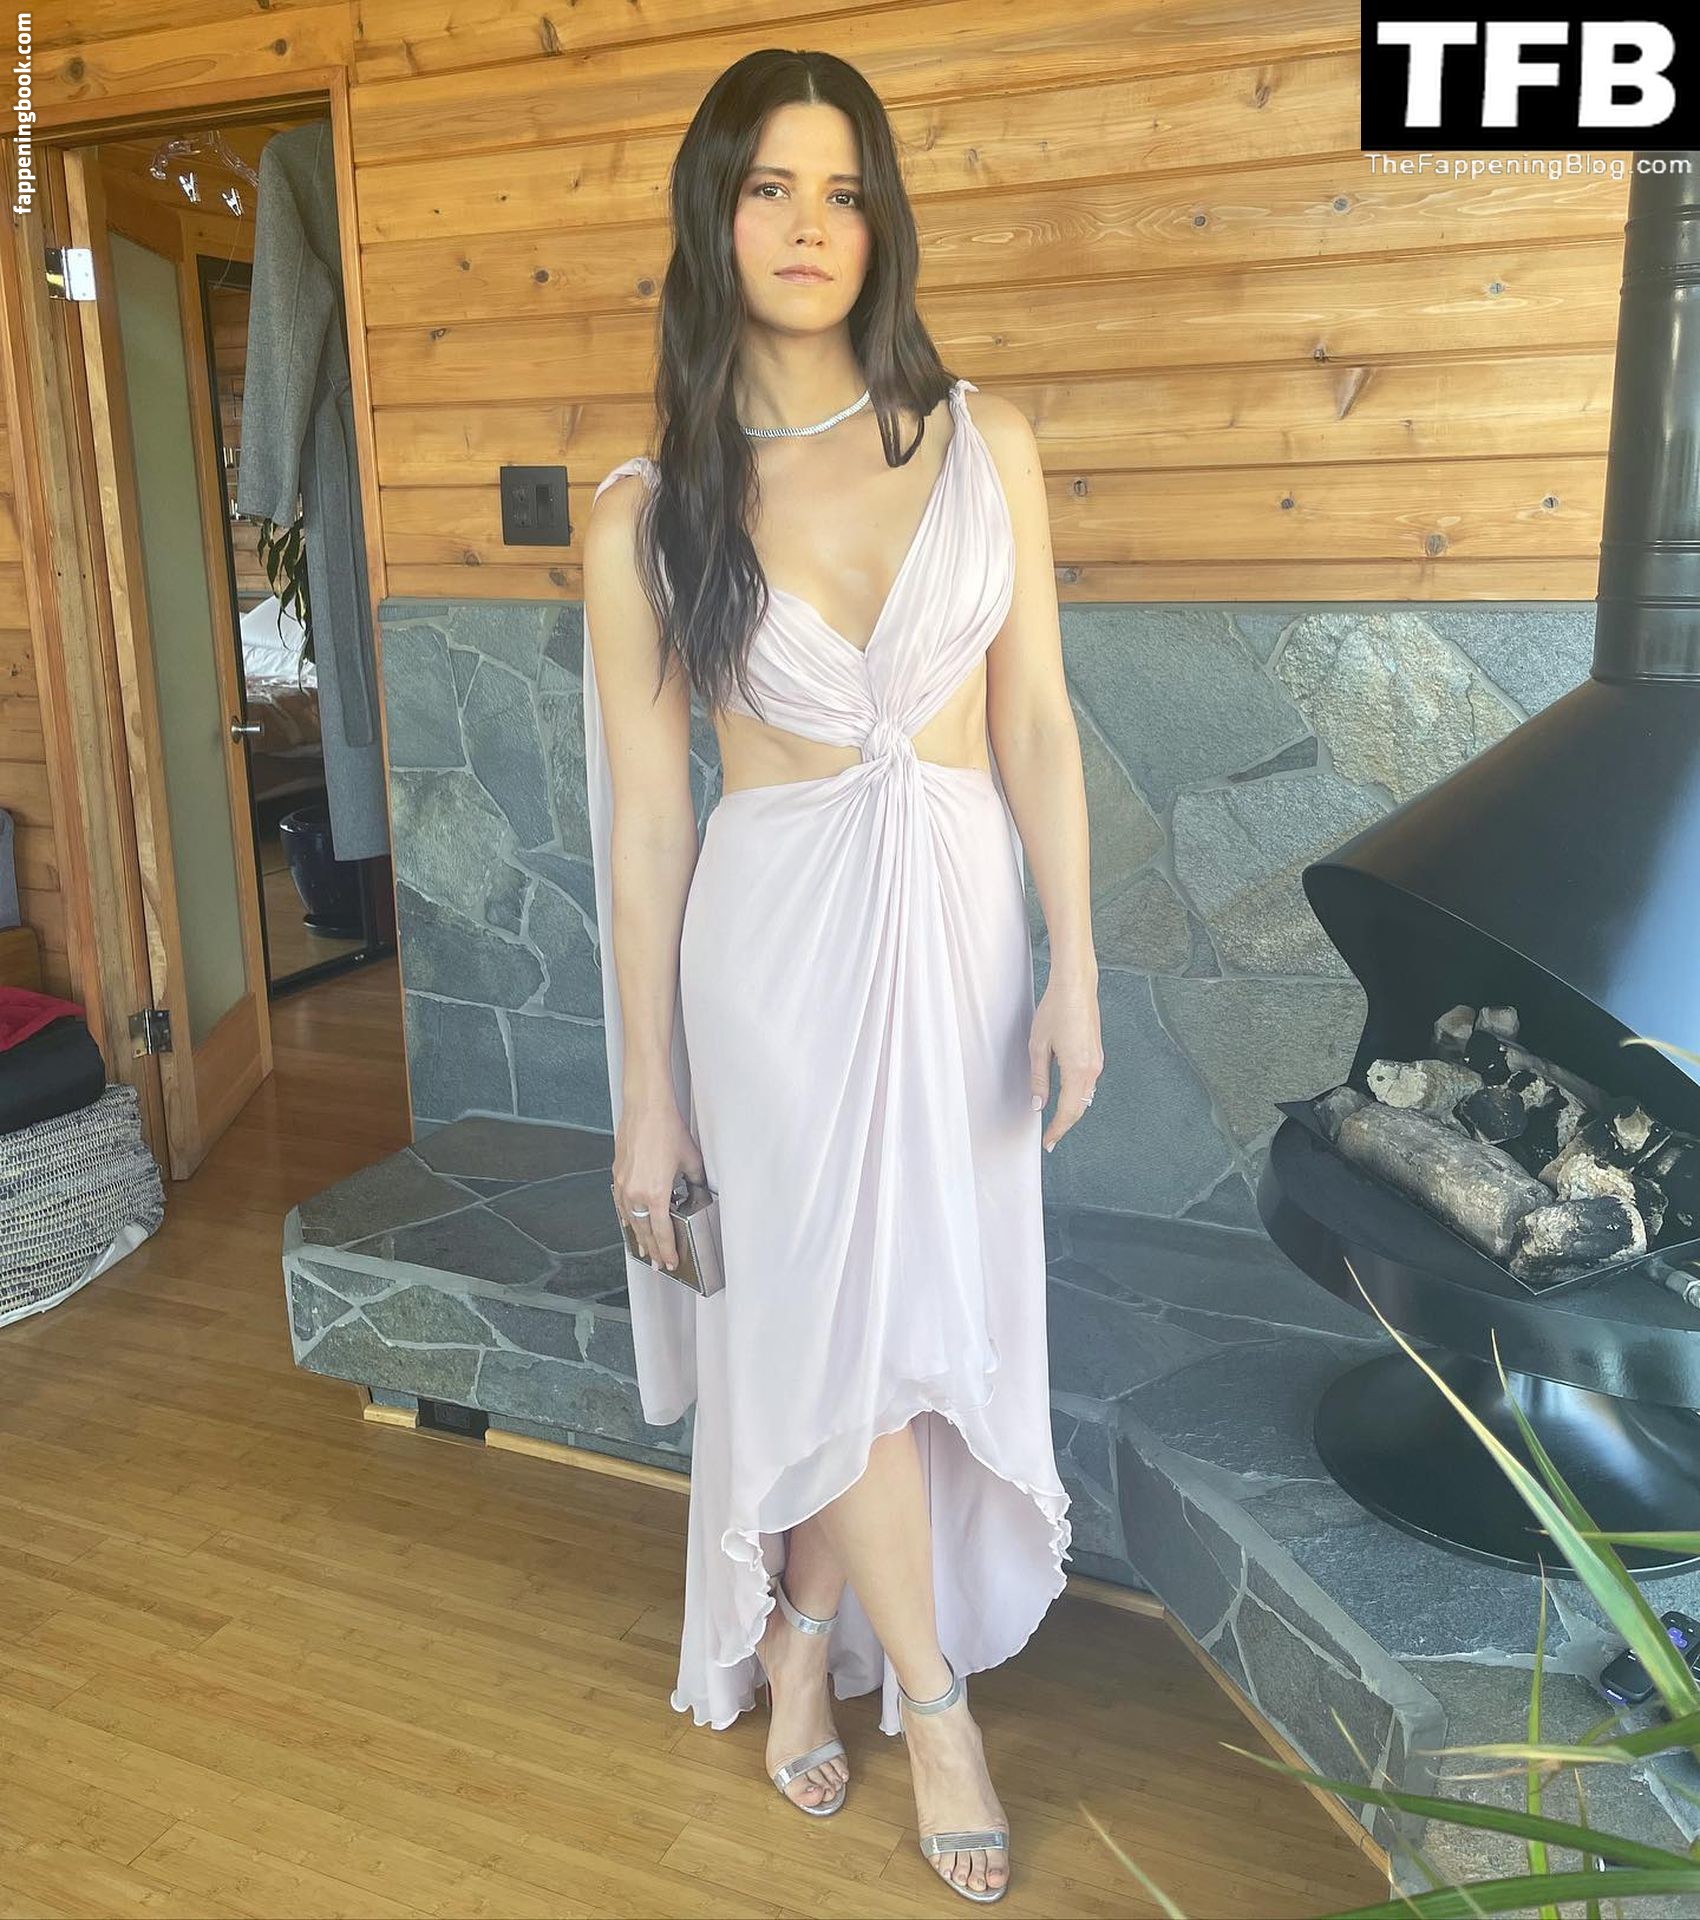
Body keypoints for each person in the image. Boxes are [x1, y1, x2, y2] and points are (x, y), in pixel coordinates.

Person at [581, 47, 1102, 1904]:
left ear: (882, 225)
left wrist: (1075, 967)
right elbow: (651, 828)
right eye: (770, 189)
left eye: (845, 192)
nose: (810, 227)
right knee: (853, 1332)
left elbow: (1035, 725)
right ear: (712, 219)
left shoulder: (984, 439)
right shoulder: (649, 509)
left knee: (909, 1314)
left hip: (960, 931)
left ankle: (807, 1632)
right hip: (774, 958)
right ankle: (936, 1706)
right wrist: (650, 1100)